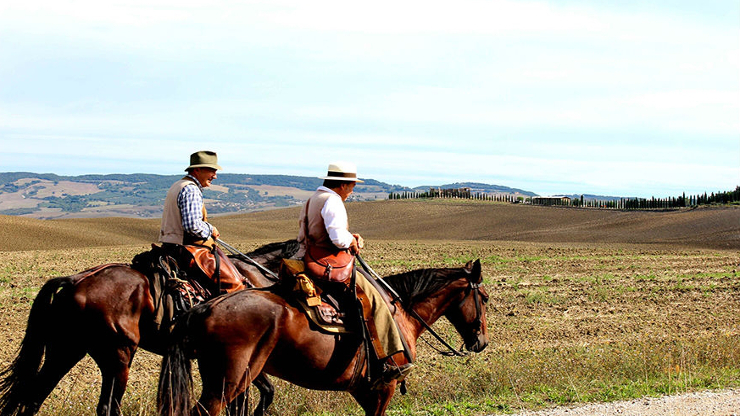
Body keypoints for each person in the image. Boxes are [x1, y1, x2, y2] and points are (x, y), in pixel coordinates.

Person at [297, 162, 413, 385]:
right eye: (351, 187)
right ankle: (389, 362)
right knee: (377, 301)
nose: (351, 192)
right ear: (342, 185)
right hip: (327, 262)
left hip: (306, 257)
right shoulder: (333, 201)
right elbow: (337, 238)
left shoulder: (314, 198)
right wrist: (353, 239)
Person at [159, 150, 245, 294]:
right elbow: (192, 226)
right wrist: (210, 229)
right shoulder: (191, 190)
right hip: (186, 249)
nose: (215, 176)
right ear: (197, 169)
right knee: (235, 285)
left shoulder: (179, 184)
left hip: (172, 245)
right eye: (212, 170)